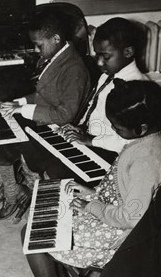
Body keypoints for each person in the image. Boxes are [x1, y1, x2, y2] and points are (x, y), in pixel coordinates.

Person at [18, 80, 161, 277]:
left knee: (33, 235)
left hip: (118, 236)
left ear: (141, 127)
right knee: (48, 205)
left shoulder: (147, 158)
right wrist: (92, 192)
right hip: (111, 209)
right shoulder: (153, 136)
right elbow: (127, 190)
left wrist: (91, 206)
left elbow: (130, 217)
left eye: (117, 127)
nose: (112, 129)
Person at [0, 8, 91, 221]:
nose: (35, 49)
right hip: (44, 119)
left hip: (57, 130)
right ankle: (12, 189)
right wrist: (19, 102)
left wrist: (22, 109)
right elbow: (44, 94)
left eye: (39, 45)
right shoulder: (56, 55)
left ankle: (21, 191)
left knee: (1, 133)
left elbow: (64, 115)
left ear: (56, 38)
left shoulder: (73, 68)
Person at [53, 17, 148, 178]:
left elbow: (128, 141)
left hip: (112, 154)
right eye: (97, 55)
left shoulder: (135, 87)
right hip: (91, 138)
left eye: (105, 56)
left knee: (57, 169)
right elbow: (93, 106)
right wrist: (80, 127)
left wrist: (90, 140)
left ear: (128, 52)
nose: (99, 62)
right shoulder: (107, 76)